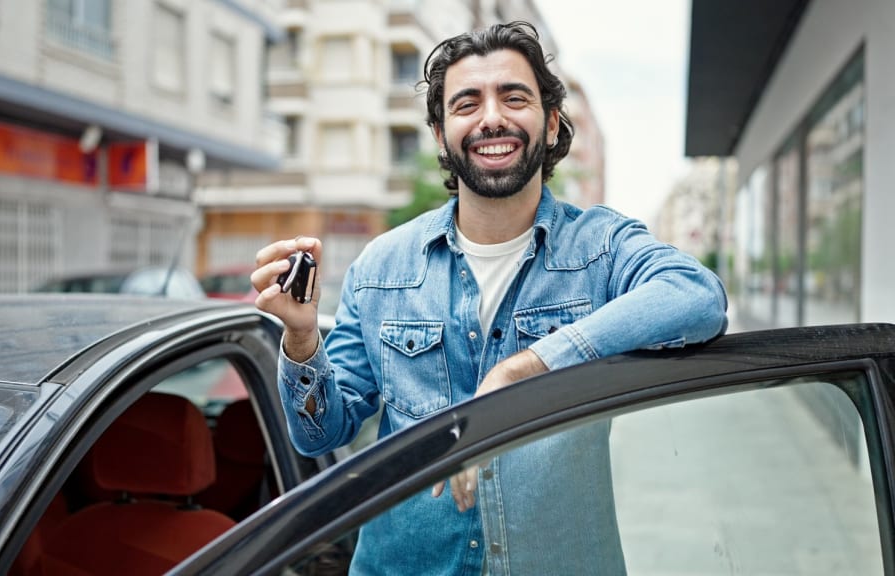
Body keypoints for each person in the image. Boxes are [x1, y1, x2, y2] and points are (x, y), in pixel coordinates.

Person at [252, 20, 728, 576]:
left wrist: (530, 365)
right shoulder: (380, 267)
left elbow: (697, 297)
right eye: (467, 103)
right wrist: (303, 339)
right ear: (440, 134)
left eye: (514, 97)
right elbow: (319, 436)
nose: (492, 118)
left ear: (550, 124)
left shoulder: (602, 246)